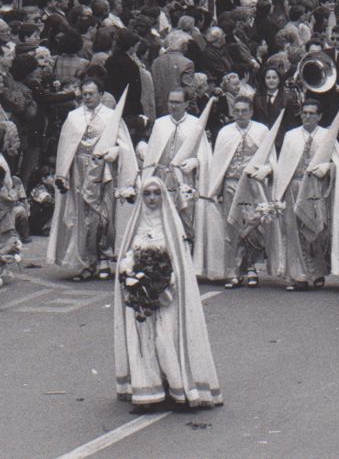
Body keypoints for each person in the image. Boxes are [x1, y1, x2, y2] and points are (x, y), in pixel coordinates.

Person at [114, 177, 222, 411]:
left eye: (156, 194)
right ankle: (147, 393)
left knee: (165, 339)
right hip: (141, 293)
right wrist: (130, 275)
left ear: (163, 196)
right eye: (147, 194)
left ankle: (177, 389)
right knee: (143, 341)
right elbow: (128, 255)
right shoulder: (136, 225)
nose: (152, 198)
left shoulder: (171, 226)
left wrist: (166, 283)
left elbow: (180, 262)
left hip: (166, 294)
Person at [48, 78, 137, 280]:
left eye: (92, 93)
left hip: (103, 170)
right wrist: (62, 175)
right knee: (83, 219)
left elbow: (123, 144)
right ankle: (86, 262)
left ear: (101, 94)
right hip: (80, 171)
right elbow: (66, 148)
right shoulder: (73, 117)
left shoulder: (111, 116)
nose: (87, 97)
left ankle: (105, 257)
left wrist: (115, 151)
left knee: (104, 215)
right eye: (85, 93)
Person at [197, 95, 281, 288]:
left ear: (251, 112)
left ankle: (251, 267)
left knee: (253, 226)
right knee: (231, 226)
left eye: (244, 111)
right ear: (232, 112)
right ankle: (231, 270)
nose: (240, 114)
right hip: (231, 184)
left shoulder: (261, 130)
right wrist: (215, 188)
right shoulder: (225, 133)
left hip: (253, 185)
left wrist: (266, 170)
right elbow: (218, 163)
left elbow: (270, 158)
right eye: (237, 111)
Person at [271, 98, 339, 292]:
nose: (307, 117)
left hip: (317, 188)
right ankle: (299, 275)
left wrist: (329, 167)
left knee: (317, 231)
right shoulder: (291, 136)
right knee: (294, 231)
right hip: (294, 186)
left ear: (319, 116)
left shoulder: (328, 136)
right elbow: (284, 164)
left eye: (311, 113)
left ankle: (317, 272)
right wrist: (279, 192)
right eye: (304, 113)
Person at [140, 88, 210, 245]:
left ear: (186, 104)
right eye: (171, 102)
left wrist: (195, 162)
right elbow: (153, 152)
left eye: (177, 102)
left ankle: (187, 255)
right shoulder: (160, 123)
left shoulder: (195, 124)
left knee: (186, 216)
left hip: (184, 178)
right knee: (160, 217)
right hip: (162, 176)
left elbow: (205, 154)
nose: (173, 106)